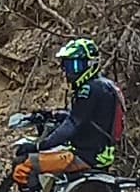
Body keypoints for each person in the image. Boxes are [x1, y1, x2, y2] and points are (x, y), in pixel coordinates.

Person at [48, 39, 125, 172]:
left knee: (27, 165)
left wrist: (41, 145)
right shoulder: (103, 86)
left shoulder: (89, 89)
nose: (70, 72)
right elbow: (89, 119)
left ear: (90, 64)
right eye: (68, 66)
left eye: (76, 66)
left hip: (85, 155)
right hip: (99, 153)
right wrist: (60, 116)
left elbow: (73, 124)